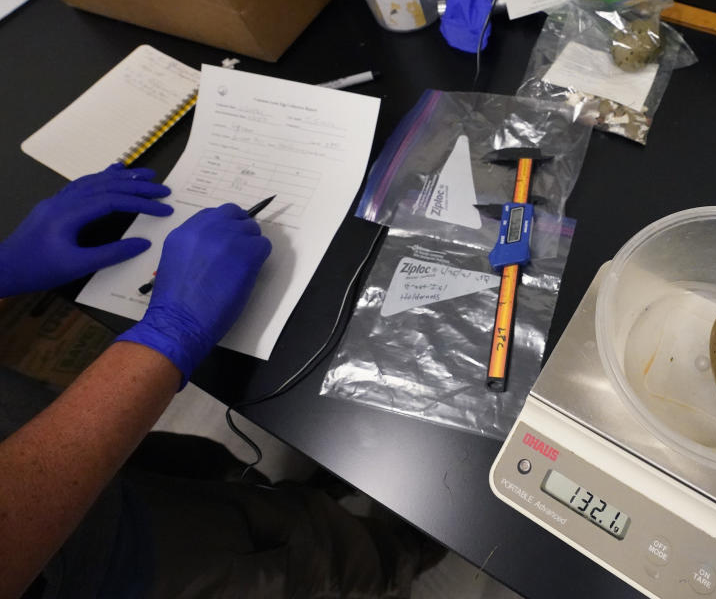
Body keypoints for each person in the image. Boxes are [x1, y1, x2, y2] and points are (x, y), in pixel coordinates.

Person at [0, 164, 438, 598]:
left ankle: (268, 496)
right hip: (99, 565)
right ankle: (397, 556)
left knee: (202, 466)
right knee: (303, 557)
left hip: (48, 439)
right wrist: (171, 330)